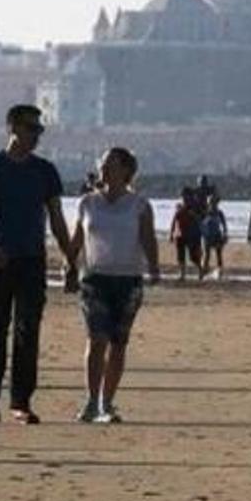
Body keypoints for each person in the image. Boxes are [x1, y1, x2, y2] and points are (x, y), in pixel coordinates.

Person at [0, 104, 72, 425]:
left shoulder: (45, 171)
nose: (37, 136)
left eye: (39, 130)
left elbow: (56, 219)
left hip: (32, 259)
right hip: (0, 259)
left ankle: (21, 401)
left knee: (29, 332)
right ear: (13, 128)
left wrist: (71, 259)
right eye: (32, 129)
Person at [66, 147, 160, 424]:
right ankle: (91, 402)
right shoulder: (87, 203)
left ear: (126, 170)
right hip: (95, 279)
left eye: (111, 164)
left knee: (118, 343)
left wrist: (154, 268)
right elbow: (76, 240)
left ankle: (107, 403)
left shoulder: (139, 205)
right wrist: (68, 264)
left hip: (128, 280)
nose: (104, 168)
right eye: (103, 163)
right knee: (97, 339)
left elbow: (148, 238)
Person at [167, 189, 203, 281]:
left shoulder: (194, 208)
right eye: (183, 196)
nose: (185, 198)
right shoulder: (180, 208)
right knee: (180, 256)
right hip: (180, 235)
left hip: (191, 236)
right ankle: (182, 274)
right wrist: (171, 234)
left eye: (186, 196)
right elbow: (174, 221)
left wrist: (193, 214)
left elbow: (199, 221)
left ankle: (200, 270)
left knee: (193, 257)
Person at [200, 196, 228, 280]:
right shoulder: (205, 212)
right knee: (206, 255)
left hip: (217, 235)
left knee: (219, 254)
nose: (213, 205)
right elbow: (201, 225)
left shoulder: (220, 213)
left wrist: (225, 234)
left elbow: (224, 225)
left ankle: (219, 272)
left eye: (214, 203)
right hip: (207, 237)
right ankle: (203, 273)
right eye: (211, 203)